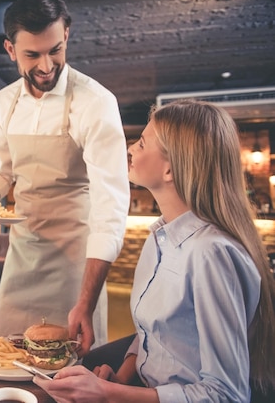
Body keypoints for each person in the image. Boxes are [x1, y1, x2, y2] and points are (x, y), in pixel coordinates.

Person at [34, 100, 275, 402]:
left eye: (142, 143)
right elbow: (154, 336)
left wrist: (109, 394)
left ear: (170, 169)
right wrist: (120, 379)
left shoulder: (211, 255)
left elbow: (226, 394)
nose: (131, 150)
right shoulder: (159, 238)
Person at [0, 0, 130, 354]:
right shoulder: (4, 102)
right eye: (32, 54)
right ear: (10, 50)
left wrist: (86, 300)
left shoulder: (95, 102)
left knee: (71, 370)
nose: (45, 66)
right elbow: (0, 174)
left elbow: (110, 207)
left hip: (77, 261)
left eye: (55, 50)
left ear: (67, 34)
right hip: (23, 252)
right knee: (6, 357)